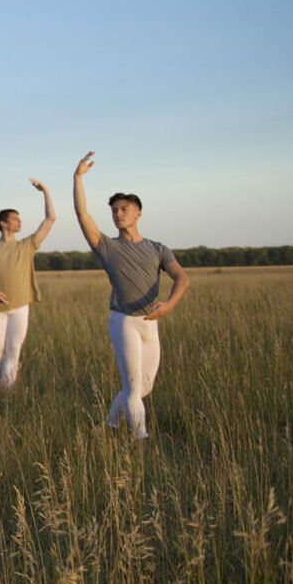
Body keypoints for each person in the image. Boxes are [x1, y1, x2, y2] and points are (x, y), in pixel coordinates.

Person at [73, 152, 190, 439]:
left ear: (138, 212)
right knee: (134, 386)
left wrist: (169, 305)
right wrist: (78, 177)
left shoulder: (158, 248)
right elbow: (82, 215)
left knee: (143, 387)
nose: (118, 214)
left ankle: (108, 426)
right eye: (114, 210)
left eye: (124, 209)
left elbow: (182, 278)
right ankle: (142, 440)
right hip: (123, 320)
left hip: (152, 320)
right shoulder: (106, 246)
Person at [0, 179, 57, 389]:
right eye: (15, 219)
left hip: (21, 305)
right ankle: (7, 382)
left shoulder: (26, 245)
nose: (19, 222)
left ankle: (7, 392)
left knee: (13, 349)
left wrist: (45, 191)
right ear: (3, 223)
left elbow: (50, 219)